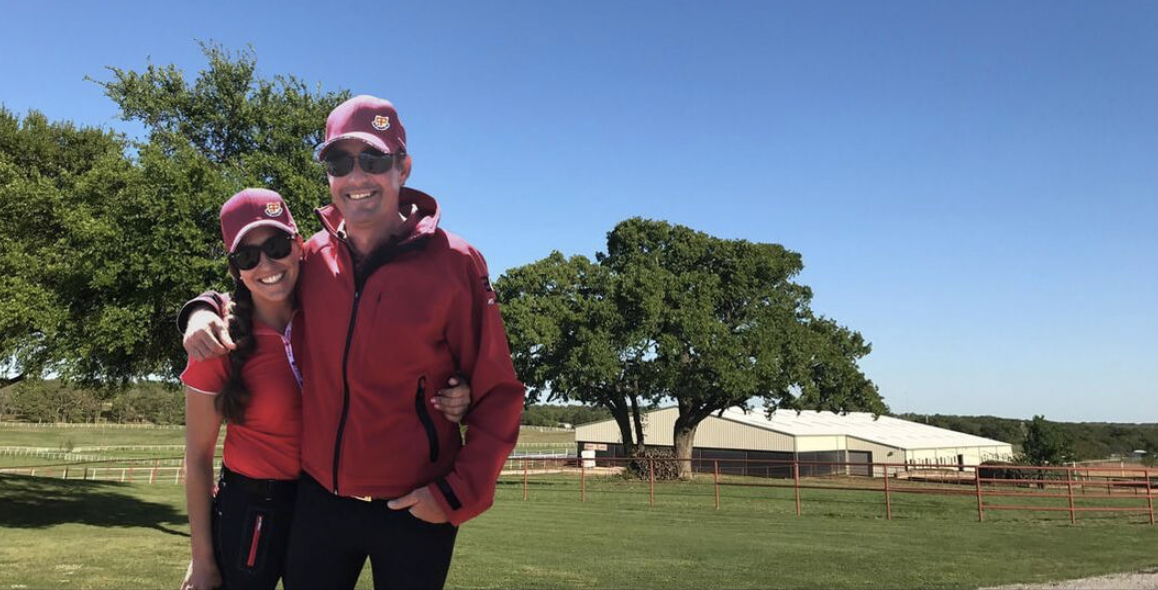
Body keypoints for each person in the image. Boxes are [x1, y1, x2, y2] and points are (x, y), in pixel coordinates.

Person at [181, 95, 525, 590]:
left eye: (374, 159)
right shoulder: (314, 258)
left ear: (403, 168)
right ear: (328, 175)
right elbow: (254, 288)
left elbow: (498, 395)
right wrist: (198, 310)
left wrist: (457, 492)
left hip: (416, 508)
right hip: (320, 504)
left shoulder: (456, 264)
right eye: (340, 162)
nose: (357, 177)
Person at [179, 189, 472, 590]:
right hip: (252, 507)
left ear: (300, 245)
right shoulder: (218, 341)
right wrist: (202, 560)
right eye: (248, 257)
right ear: (235, 270)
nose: (267, 264)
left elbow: (401, 352)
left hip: (317, 501)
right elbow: (196, 459)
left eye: (278, 245)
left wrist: (458, 387)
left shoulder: (327, 308)